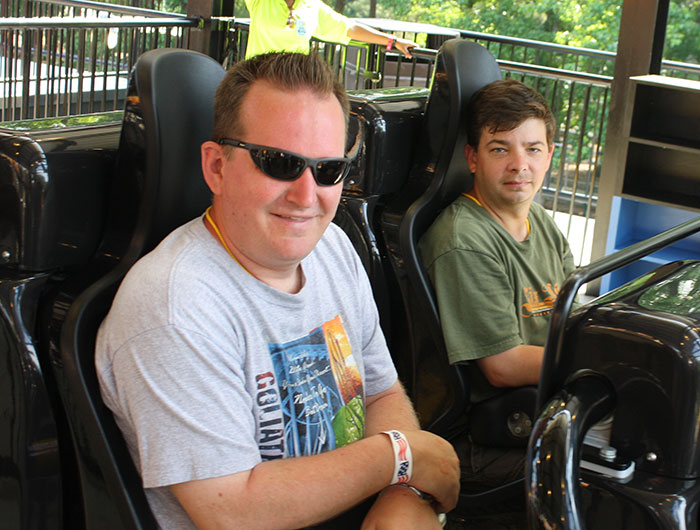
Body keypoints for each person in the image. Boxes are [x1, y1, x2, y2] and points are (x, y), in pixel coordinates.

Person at [95, 51, 459, 529]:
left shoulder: (333, 247)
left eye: (328, 169)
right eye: (279, 163)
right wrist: (400, 458)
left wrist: (403, 493)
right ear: (217, 167)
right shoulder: (174, 305)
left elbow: (379, 392)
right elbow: (233, 510)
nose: (307, 196)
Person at [419, 79, 576, 487]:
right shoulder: (464, 240)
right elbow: (502, 367)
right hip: (488, 433)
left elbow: (570, 316)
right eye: (500, 148)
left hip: (546, 403)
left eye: (533, 148)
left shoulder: (539, 222)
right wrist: (603, 360)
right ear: (472, 158)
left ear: (549, 155)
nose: (519, 164)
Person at [244, 0, 418, 59]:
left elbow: (348, 28)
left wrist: (393, 41)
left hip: (294, 83)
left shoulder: (311, 5)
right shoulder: (261, 2)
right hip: (256, 79)